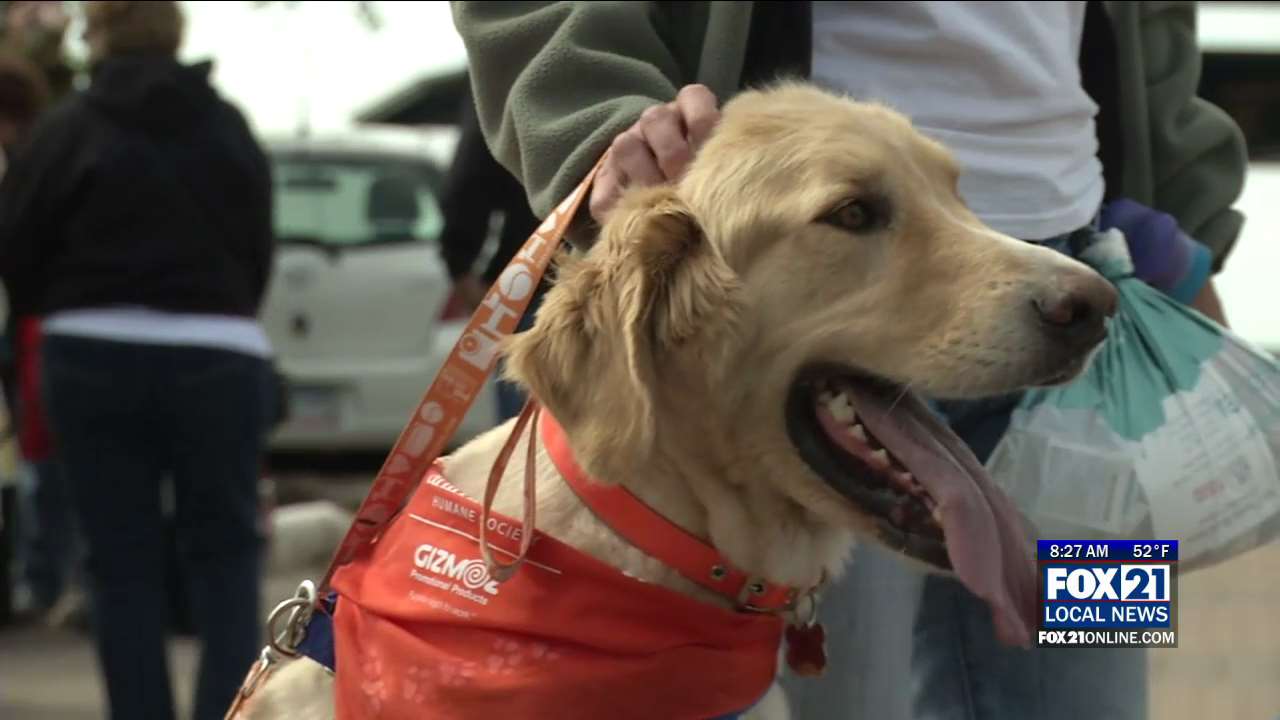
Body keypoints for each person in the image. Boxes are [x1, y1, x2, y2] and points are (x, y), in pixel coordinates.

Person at [450, 2, 1247, 719]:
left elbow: (1155, 28)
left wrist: (1192, 229)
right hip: (783, 294)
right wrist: (604, 127)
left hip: (1091, 276)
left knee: (1102, 699)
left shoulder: (1076, 296)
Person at [0, 3, 276, 719]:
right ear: (175, 33)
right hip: (218, 351)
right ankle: (229, 709)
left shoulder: (66, 129)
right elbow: (256, 251)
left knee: (118, 563)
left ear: (98, 35)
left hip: (91, 351)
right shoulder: (228, 127)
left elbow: (18, 245)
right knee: (225, 556)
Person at [437, 89, 543, 421]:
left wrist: (461, 266)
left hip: (528, 278)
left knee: (522, 440)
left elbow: (467, 181)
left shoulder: (515, 62)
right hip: (626, 269)